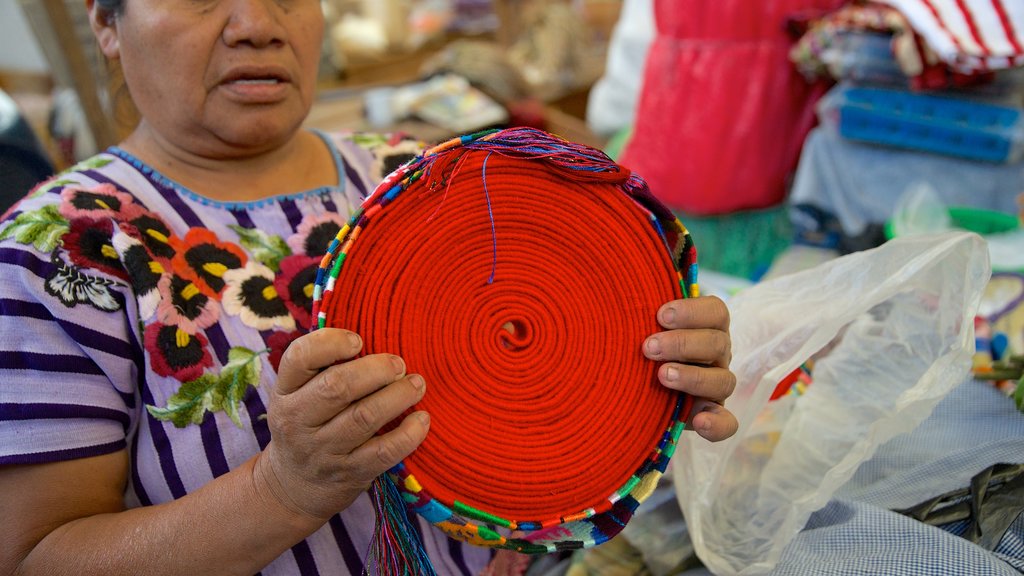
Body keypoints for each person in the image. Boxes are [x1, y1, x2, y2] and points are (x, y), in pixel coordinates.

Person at [0, 1, 739, 574]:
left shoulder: (430, 180)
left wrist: (637, 384)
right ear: (106, 21)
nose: (258, 24)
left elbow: (527, 465)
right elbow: (34, 559)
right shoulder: (62, 251)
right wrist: (284, 491)